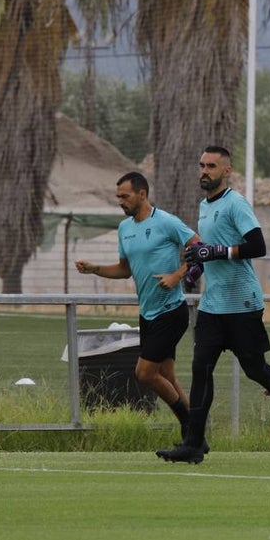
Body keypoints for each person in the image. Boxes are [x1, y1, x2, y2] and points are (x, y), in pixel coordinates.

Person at [156, 146, 270, 465]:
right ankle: (193, 443)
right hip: (212, 304)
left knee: (256, 370)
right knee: (200, 369)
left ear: (227, 170)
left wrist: (217, 252)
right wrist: (196, 264)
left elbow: (257, 245)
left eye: (212, 166)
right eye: (202, 165)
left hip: (242, 303)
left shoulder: (236, 203)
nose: (204, 171)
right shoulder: (204, 206)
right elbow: (209, 251)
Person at [75, 171, 196, 441]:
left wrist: (177, 275)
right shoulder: (124, 228)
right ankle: (197, 434)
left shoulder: (166, 222)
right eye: (118, 196)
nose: (120, 201)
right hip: (148, 314)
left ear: (142, 194)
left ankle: (189, 425)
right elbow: (124, 269)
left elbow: (200, 248)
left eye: (125, 196)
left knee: (144, 373)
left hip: (171, 311)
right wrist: (95, 269)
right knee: (167, 376)